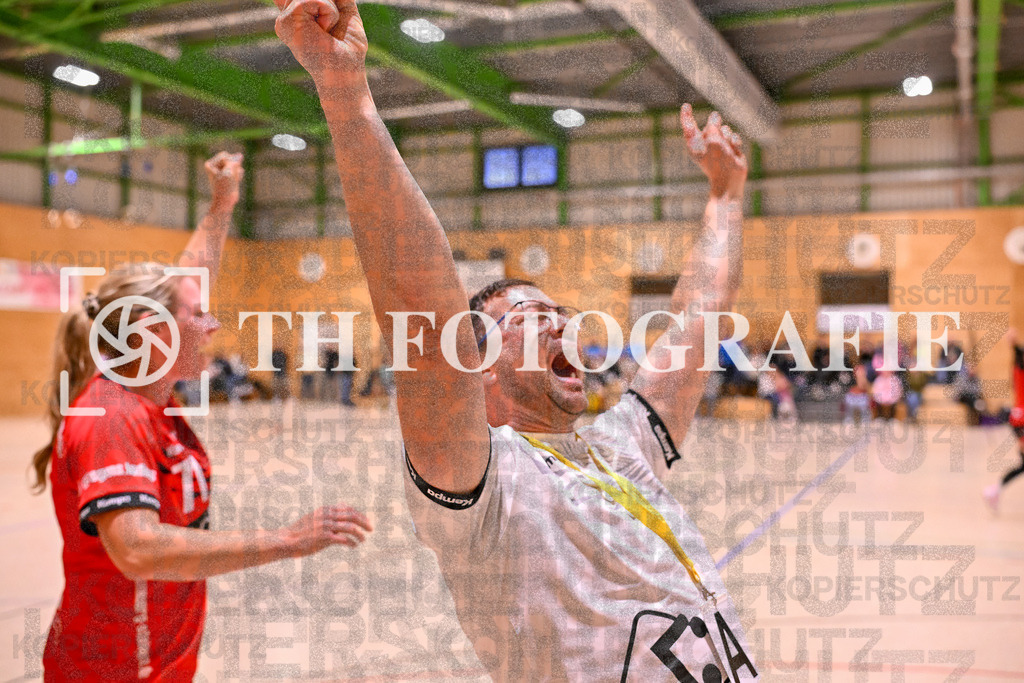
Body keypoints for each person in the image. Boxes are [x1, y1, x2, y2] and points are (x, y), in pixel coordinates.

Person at [274, 2, 758, 679]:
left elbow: (699, 313)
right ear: (478, 368)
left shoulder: (620, 445)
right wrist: (347, 95)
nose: (563, 322)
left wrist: (726, 197)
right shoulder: (487, 485)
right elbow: (422, 304)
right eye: (532, 317)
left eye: (559, 310)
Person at [30, 152, 373, 681]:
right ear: (152, 331)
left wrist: (222, 204)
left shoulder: (150, 398)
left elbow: (191, 279)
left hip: (157, 664)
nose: (212, 324)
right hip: (114, 668)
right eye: (198, 315)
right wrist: (287, 539)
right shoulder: (112, 417)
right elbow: (139, 549)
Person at [984, 329, 1024, 512]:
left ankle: (995, 490)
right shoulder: (1020, 368)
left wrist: (1014, 343)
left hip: (1018, 418)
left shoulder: (1017, 367)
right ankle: (995, 490)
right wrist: (1014, 343)